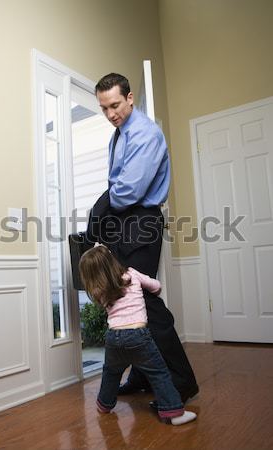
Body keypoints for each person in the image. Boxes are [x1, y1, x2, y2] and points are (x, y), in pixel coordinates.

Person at [86, 73, 199, 404]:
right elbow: (119, 189)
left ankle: (182, 381)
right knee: (126, 297)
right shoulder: (119, 134)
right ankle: (143, 373)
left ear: (130, 98)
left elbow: (127, 192)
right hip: (125, 221)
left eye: (116, 105)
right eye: (104, 108)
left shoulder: (145, 134)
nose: (111, 114)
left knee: (144, 299)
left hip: (141, 220)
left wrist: (98, 208)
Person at [79, 245, 197, 426]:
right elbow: (156, 286)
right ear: (113, 260)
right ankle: (173, 412)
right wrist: (153, 290)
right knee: (159, 373)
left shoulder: (99, 291)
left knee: (111, 373)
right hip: (138, 336)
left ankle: (104, 404)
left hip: (113, 339)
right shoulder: (132, 274)